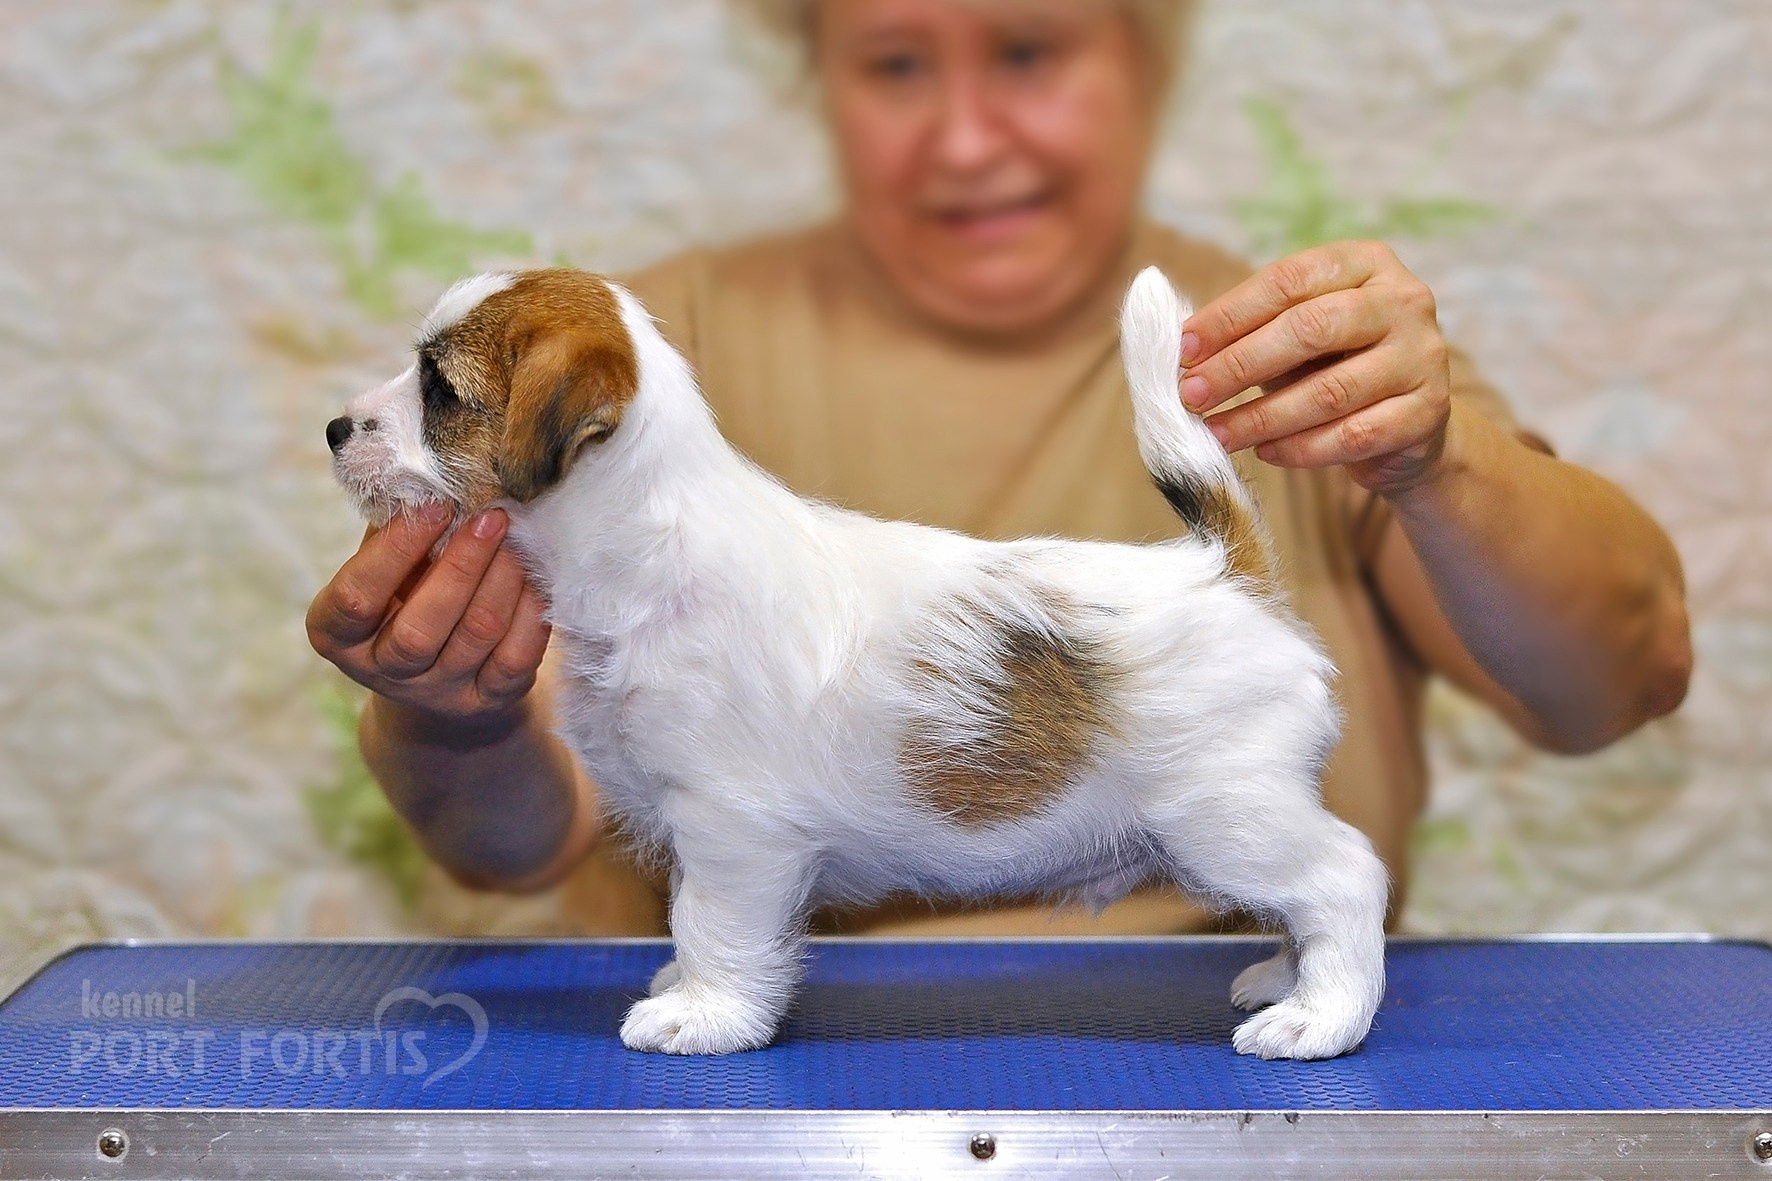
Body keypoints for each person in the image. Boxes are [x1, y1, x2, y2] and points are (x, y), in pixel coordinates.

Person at [305, 0, 1691, 936]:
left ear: (1143, 60)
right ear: (819, 78)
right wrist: (454, 712)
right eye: (898, 63)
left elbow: (1617, 684)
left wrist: (1434, 461)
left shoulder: (1297, 354)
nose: (966, 138)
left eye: (1027, 49)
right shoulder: (635, 359)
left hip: (1209, 1063)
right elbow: (510, 841)